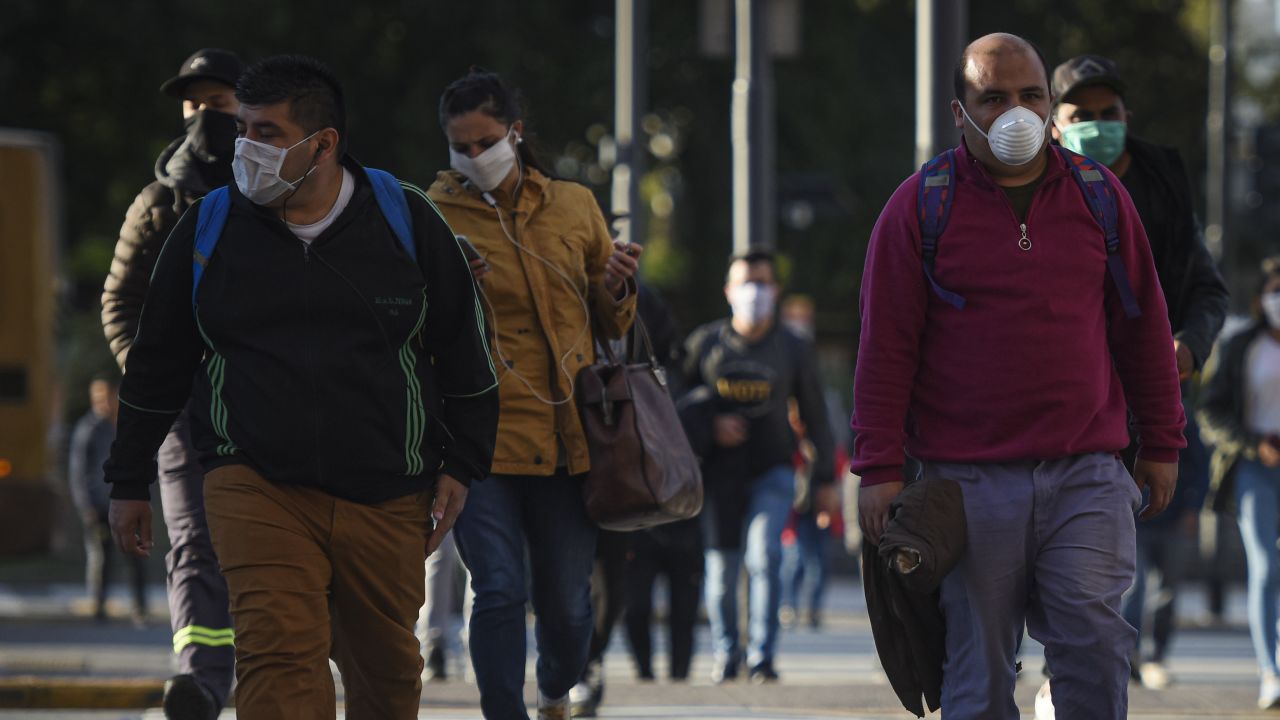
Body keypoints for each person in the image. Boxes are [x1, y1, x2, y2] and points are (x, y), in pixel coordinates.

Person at [103, 54, 498, 720]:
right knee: (278, 659)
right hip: (254, 481)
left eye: (268, 134)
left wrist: (462, 463)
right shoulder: (206, 227)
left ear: (324, 144)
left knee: (387, 675)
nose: (246, 148)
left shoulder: (406, 220)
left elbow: (467, 352)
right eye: (244, 129)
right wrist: (128, 479)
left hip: (388, 489)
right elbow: (156, 360)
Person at [852, 33, 1185, 720]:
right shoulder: (920, 208)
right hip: (968, 484)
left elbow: (1144, 330)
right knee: (976, 680)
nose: (1016, 112)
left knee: (1094, 652)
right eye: (994, 98)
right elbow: (885, 348)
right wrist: (878, 466)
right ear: (960, 111)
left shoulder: (1100, 198)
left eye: (1032, 96)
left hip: (1087, 475)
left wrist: (1161, 443)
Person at [427, 68, 640, 720]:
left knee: (569, 605)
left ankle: (554, 691)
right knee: (496, 588)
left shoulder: (573, 204)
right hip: (480, 442)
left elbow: (611, 325)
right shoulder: (433, 215)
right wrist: (454, 286)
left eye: (484, 141)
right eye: (459, 146)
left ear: (515, 134)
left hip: (569, 441)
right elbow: (410, 328)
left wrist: (618, 284)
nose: (472, 157)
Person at [1049, 53, 1230, 691]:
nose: (1098, 125)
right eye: (1082, 115)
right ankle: (1071, 672)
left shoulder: (1163, 185)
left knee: (1137, 553)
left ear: (1128, 116)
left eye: (1109, 113)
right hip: (1070, 408)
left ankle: (1109, 664)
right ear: (1053, 124)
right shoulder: (1038, 183)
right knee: (1076, 562)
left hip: (1153, 407)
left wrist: (1188, 345)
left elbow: (1208, 291)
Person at [100, 47, 243, 719]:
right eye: (193, 103)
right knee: (191, 541)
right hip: (183, 411)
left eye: (218, 102)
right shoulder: (157, 204)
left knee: (270, 539)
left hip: (268, 405)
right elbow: (119, 304)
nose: (203, 115)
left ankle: (268, 666)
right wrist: (154, 373)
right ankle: (202, 682)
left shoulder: (282, 196)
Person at [681, 249, 836, 684]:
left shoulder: (793, 346)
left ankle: (762, 658)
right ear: (728, 291)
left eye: (763, 283)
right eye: (746, 283)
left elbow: (815, 414)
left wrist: (824, 479)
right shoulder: (705, 344)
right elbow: (672, 403)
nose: (755, 292)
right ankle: (727, 653)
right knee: (722, 571)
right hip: (718, 475)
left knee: (765, 554)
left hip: (774, 469)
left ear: (775, 290)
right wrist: (711, 424)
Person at [1198, 256, 1280, 710]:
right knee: (1266, 567)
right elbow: (1211, 411)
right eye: (1274, 290)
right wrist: (1253, 444)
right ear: (1260, 298)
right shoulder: (1241, 345)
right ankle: (1271, 671)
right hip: (1253, 467)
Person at [68, 374, 147, 625]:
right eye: (96, 396)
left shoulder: (129, 425)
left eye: (105, 395)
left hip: (127, 501)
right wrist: (86, 506)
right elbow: (78, 472)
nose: (100, 402)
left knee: (137, 556)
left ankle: (139, 606)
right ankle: (99, 605)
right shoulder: (88, 429)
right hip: (100, 506)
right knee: (101, 557)